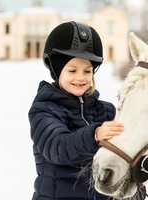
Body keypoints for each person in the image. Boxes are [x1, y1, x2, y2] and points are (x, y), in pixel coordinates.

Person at [28, 21, 124, 200]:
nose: (80, 78)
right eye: (72, 70)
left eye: (87, 71)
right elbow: (58, 148)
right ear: (57, 71)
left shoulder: (106, 111)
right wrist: (94, 135)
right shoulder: (44, 110)